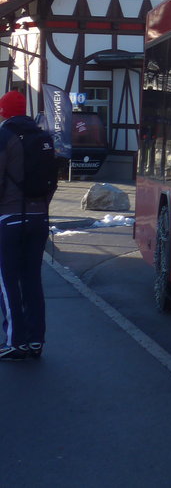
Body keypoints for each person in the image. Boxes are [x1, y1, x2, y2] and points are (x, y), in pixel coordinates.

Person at [0, 90, 56, 361]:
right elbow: (52, 180)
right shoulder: (43, 136)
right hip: (38, 219)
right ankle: (36, 341)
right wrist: (40, 207)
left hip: (9, 218)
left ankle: (14, 341)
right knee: (32, 279)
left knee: (7, 280)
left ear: (3, 112)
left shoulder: (4, 136)